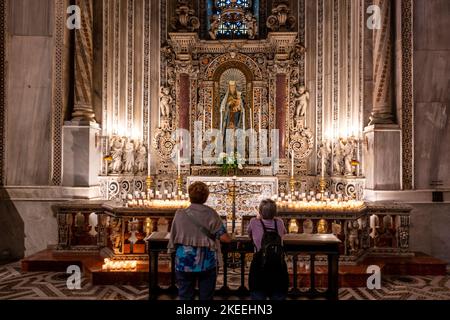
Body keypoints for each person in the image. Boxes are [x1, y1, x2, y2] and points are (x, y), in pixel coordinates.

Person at [168, 182, 231, 300]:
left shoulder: (179, 214)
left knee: (185, 296)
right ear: (206, 197)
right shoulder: (211, 213)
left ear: (189, 196)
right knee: (206, 297)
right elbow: (225, 238)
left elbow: (173, 237)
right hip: (206, 263)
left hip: (184, 262)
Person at [247, 199, 289, 300]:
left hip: (259, 264)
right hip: (278, 264)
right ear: (275, 212)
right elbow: (284, 233)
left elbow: (249, 234)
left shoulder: (253, 222)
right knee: (278, 293)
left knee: (258, 293)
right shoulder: (279, 222)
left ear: (260, 211)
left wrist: (259, 219)